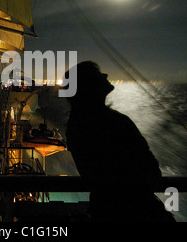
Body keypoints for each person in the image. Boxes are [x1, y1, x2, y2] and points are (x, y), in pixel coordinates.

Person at [64, 61, 174, 222]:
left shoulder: (76, 126)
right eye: (98, 74)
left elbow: (94, 175)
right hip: (137, 211)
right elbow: (149, 169)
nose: (105, 75)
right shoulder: (115, 122)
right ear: (89, 86)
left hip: (105, 211)